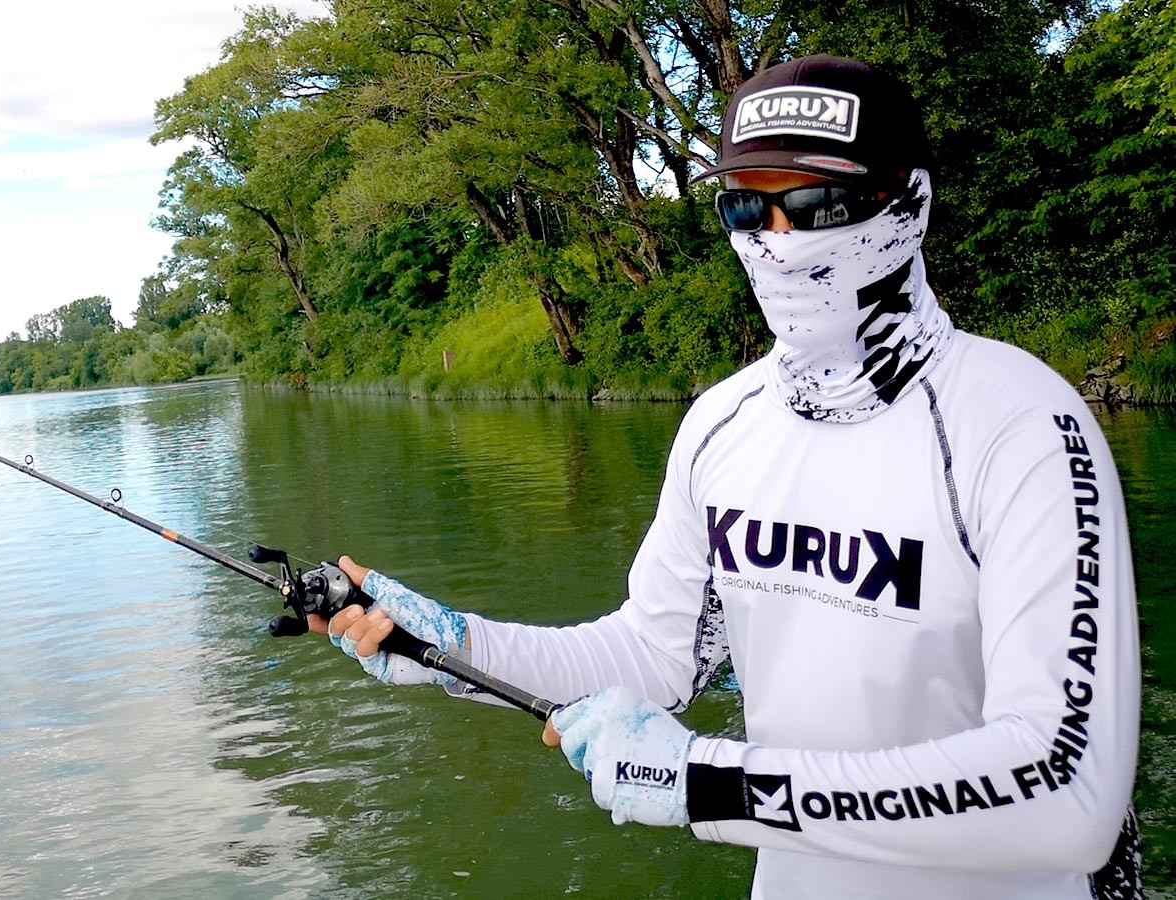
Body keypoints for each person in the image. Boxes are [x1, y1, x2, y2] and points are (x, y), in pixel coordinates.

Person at [319, 55, 1141, 899]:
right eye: (746, 205)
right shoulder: (722, 423)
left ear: (911, 206)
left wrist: (712, 783)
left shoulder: (1020, 424)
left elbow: (1067, 793)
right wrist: (452, 647)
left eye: (817, 205)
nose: (776, 240)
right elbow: (652, 659)